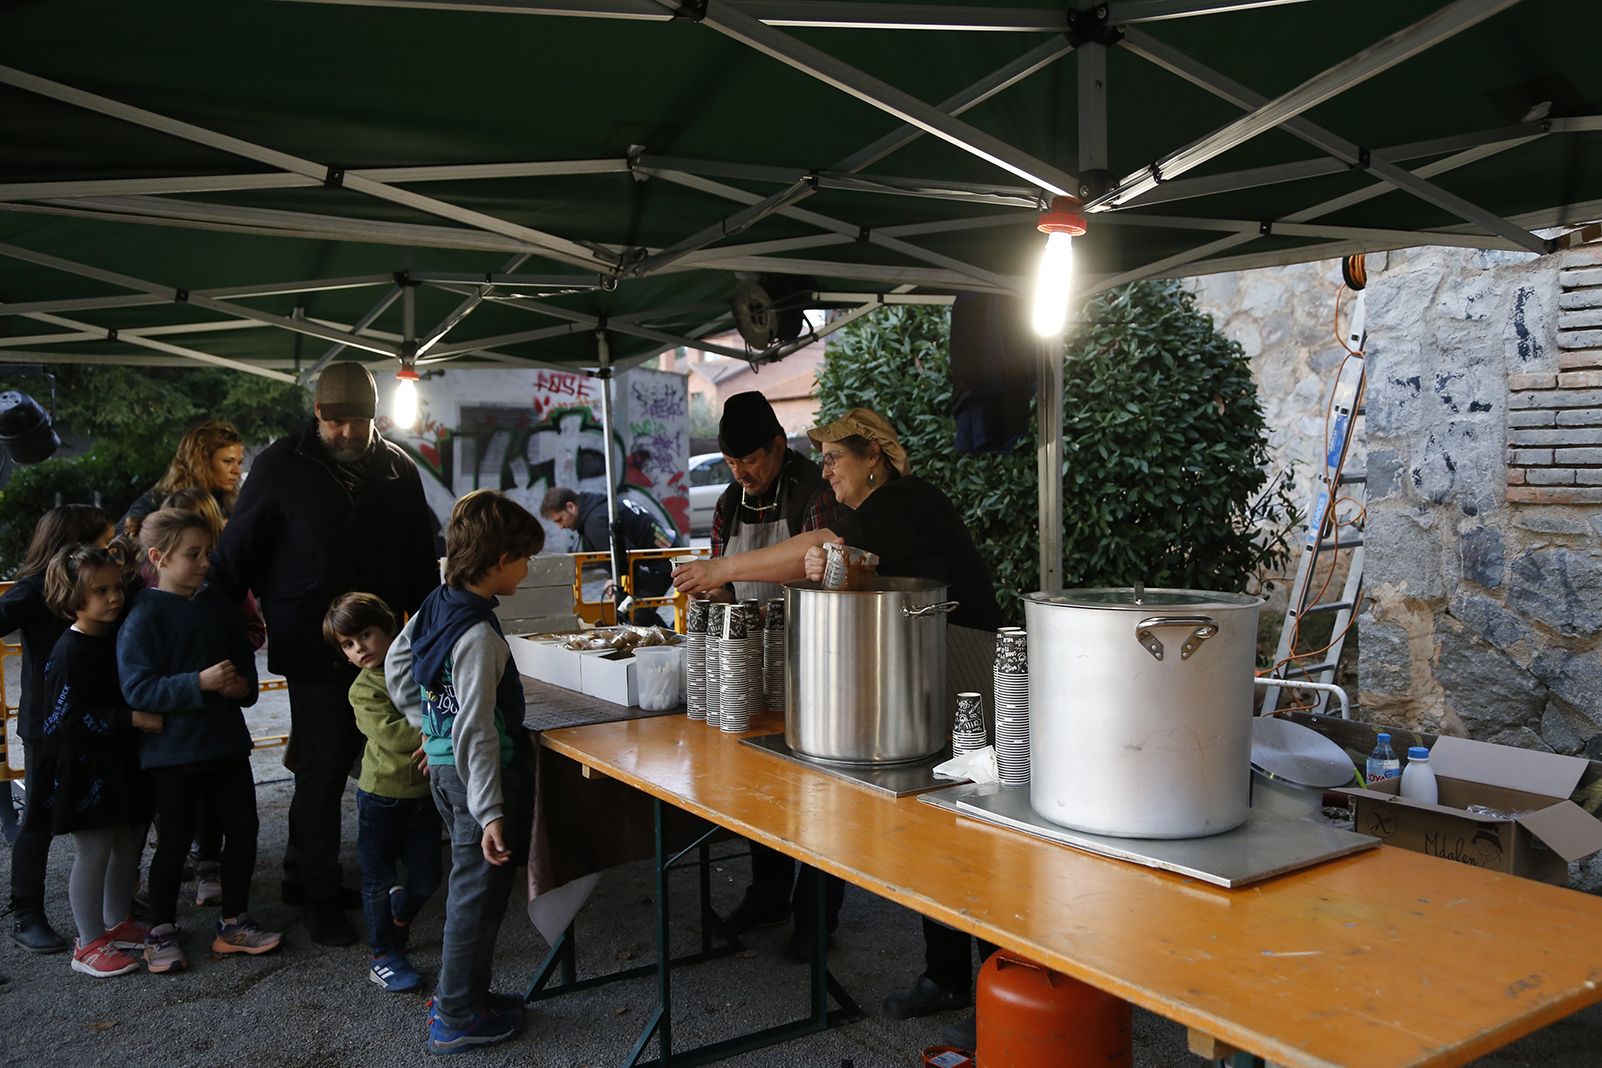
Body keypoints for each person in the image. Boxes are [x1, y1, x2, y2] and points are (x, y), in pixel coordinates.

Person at [211, 361, 439, 946]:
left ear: (374, 417)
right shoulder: (279, 466)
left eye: (357, 422)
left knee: (369, 758)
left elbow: (420, 559)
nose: (346, 433)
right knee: (322, 765)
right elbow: (236, 556)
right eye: (335, 422)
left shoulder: (398, 468)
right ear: (316, 415)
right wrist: (215, 630)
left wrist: (431, 633)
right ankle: (317, 893)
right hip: (311, 650)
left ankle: (305, 874)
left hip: (385, 650)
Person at [802, 408, 1002, 1044]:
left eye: (835, 457)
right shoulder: (877, 519)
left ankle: (1004, 996)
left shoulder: (904, 500)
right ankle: (947, 975)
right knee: (935, 833)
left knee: (977, 837)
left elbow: (827, 548)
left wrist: (725, 571)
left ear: (874, 459)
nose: (826, 471)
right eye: (823, 459)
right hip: (928, 667)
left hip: (967, 667)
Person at [385, 489, 542, 1054]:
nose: (528, 570)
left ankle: (468, 998)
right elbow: (476, 728)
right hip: (479, 780)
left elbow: (396, 665)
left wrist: (429, 730)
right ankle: (455, 1015)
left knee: (475, 892)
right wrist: (492, 811)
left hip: (448, 771)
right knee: (475, 900)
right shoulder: (477, 635)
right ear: (500, 561)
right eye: (525, 559)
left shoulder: (439, 600)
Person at [118, 508, 281, 973]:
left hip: (226, 743)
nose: (206, 562)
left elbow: (246, 674)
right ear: (158, 558)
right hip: (172, 754)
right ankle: (161, 931)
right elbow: (137, 689)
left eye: (208, 552)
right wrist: (199, 683)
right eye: (193, 554)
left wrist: (240, 688)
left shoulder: (219, 605)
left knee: (243, 830)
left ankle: (235, 922)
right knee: (173, 843)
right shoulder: (142, 615)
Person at [37, 544, 162, 977]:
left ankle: (117, 921)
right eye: (100, 591)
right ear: (71, 596)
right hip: (85, 769)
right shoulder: (70, 651)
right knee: (94, 851)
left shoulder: (112, 636)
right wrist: (132, 719)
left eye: (116, 588)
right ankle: (88, 942)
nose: (114, 598)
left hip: (120, 763)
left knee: (127, 840)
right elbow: (68, 719)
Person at [1, 504, 115, 953]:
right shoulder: (35, 588)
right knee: (39, 818)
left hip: (95, 717)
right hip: (47, 724)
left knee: (106, 808)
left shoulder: (102, 582)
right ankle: (26, 912)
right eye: (103, 540)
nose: (109, 548)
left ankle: (115, 904)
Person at [322, 592, 441, 994]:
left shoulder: (418, 668)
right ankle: (384, 954)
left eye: (366, 635)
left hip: (425, 794)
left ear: (390, 628)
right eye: (348, 644)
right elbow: (392, 734)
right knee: (377, 878)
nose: (359, 649)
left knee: (427, 877)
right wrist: (437, 734)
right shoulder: (362, 689)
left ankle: (400, 910)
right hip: (380, 796)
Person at [670, 391, 837, 603]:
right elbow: (725, 588)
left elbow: (823, 575)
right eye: (730, 463)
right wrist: (709, 598)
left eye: (749, 462)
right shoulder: (729, 502)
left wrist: (723, 568)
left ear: (778, 446)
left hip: (802, 621)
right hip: (746, 625)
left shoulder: (814, 492)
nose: (739, 474)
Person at [539, 486, 678, 624]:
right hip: (664, 552)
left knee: (633, 613)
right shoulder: (598, 506)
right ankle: (664, 632)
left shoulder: (595, 522)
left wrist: (617, 582)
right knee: (635, 610)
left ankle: (664, 634)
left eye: (559, 520)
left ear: (571, 507)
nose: (560, 526)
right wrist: (615, 579)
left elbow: (624, 561)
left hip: (661, 561)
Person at [120, 420, 246, 536]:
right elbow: (120, 538)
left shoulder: (230, 504)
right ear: (203, 462)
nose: (236, 471)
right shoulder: (159, 500)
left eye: (239, 463)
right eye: (227, 461)